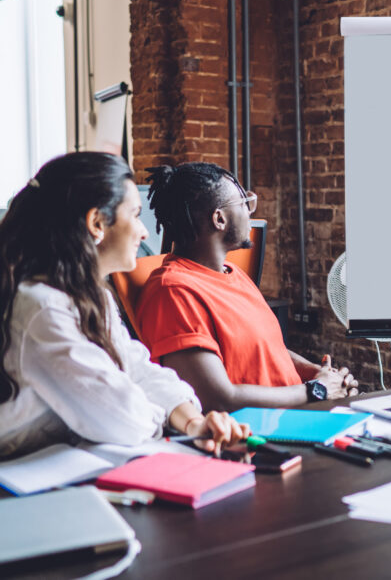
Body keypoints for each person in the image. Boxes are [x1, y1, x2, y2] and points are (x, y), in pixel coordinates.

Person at [0, 152, 248, 459]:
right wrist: (168, 417)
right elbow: (122, 419)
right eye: (134, 215)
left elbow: (136, 368)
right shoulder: (42, 308)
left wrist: (193, 421)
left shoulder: (92, 297)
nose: (144, 232)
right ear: (97, 222)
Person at [135, 162, 358, 412]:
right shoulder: (173, 292)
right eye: (243, 203)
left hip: (301, 415)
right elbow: (216, 398)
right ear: (219, 219)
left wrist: (318, 374)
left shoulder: (234, 274)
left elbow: (264, 349)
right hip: (262, 437)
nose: (250, 212)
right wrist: (317, 391)